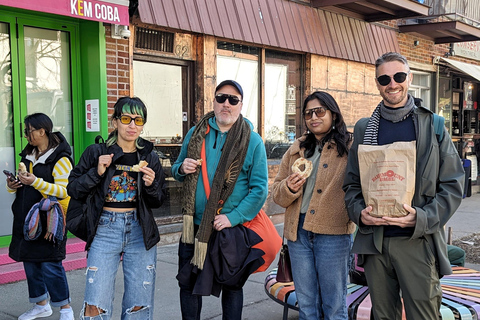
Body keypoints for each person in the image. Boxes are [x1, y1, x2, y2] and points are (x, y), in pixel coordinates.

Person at [343, 52, 465, 320]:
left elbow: (454, 183)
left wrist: (422, 218)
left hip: (417, 242)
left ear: (409, 78)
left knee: (424, 315)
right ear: (377, 83)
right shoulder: (365, 129)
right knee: (383, 316)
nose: (392, 84)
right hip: (375, 243)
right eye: (384, 78)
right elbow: (351, 184)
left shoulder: (431, 124)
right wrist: (359, 212)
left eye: (398, 76)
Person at [171, 80, 268, 320]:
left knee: (232, 286)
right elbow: (175, 169)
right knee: (188, 284)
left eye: (233, 100)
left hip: (229, 228)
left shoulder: (252, 141)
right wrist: (182, 168)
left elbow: (259, 190)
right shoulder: (196, 133)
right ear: (213, 101)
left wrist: (232, 218)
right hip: (192, 226)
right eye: (221, 98)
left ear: (240, 105)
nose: (226, 103)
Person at [67, 97, 166, 320]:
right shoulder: (96, 152)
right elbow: (73, 188)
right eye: (126, 118)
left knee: (139, 304)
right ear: (115, 122)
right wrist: (97, 172)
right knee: (95, 305)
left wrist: (150, 186)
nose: (132, 125)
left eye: (138, 120)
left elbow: (159, 200)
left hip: (139, 231)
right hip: (104, 229)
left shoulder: (149, 157)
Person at [271, 91, 355, 319]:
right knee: (307, 306)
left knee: (334, 306)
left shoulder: (350, 146)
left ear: (333, 114)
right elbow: (277, 195)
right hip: (298, 233)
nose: (313, 117)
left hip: (333, 234)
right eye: (308, 113)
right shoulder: (297, 148)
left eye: (320, 111)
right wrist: (289, 187)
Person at [7, 113, 74, 320]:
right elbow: (21, 187)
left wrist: (35, 181)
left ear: (42, 131)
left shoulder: (61, 159)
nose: (26, 136)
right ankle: (41, 305)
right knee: (30, 263)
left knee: (50, 265)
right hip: (26, 219)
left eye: (28, 131)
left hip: (50, 223)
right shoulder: (27, 155)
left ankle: (65, 309)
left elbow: (64, 191)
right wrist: (12, 186)